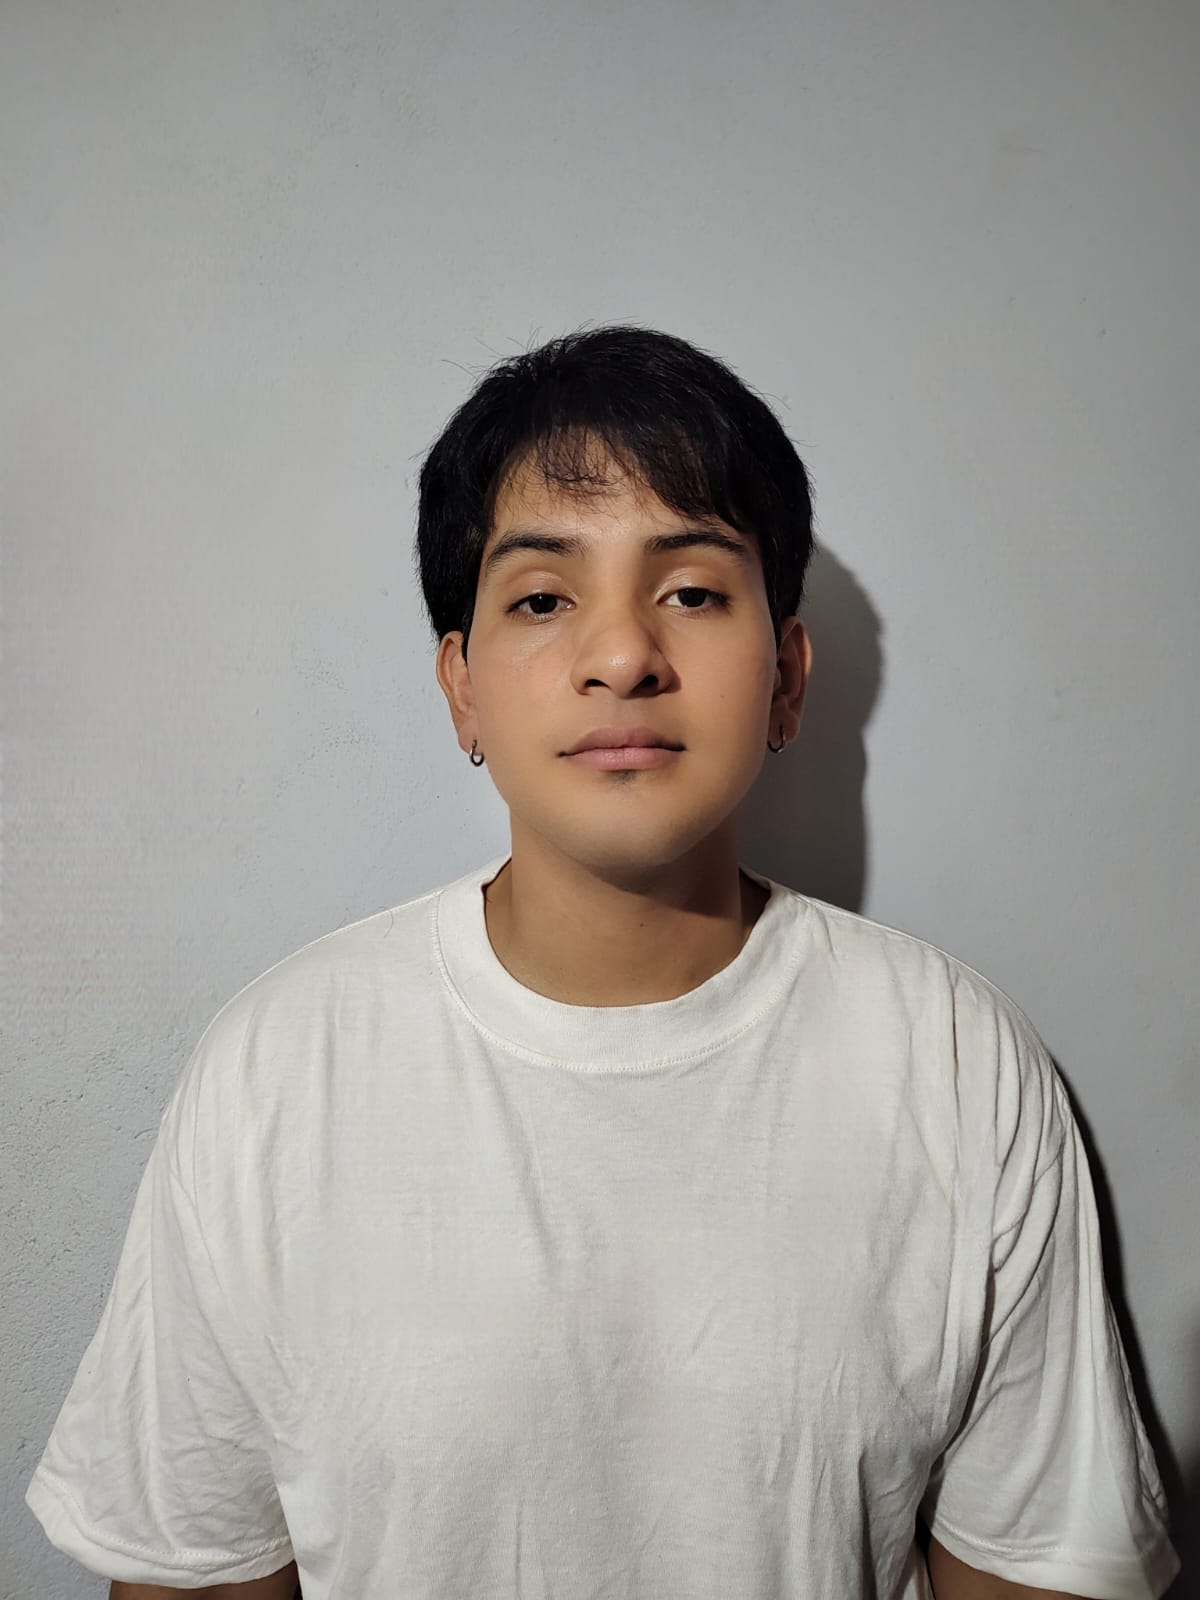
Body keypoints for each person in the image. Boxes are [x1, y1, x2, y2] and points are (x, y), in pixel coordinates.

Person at [26, 326, 1181, 1600]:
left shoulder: (956, 1063)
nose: (623, 655)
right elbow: (193, 1572)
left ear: (788, 680)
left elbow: (1031, 1570)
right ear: (461, 689)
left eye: (692, 591)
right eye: (541, 598)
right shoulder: (278, 1071)